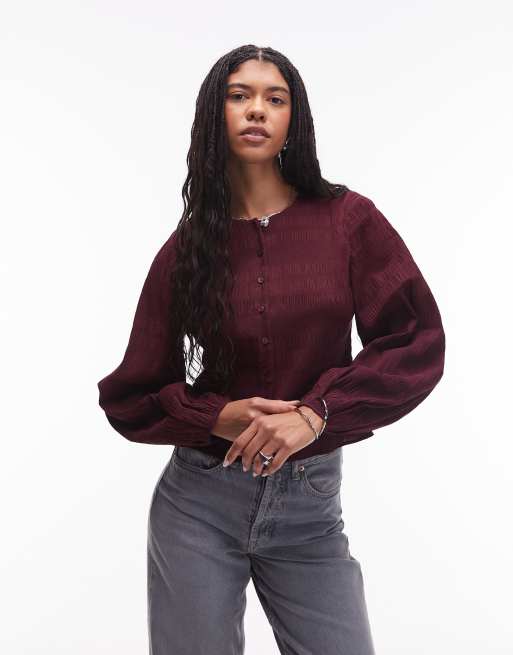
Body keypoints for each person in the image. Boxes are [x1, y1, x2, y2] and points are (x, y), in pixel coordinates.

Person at [97, 44, 445, 654]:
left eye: (274, 98)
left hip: (311, 510)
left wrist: (317, 414)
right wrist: (216, 416)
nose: (256, 109)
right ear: (216, 114)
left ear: (293, 119)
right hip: (198, 506)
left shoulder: (348, 221)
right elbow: (130, 395)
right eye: (239, 95)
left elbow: (415, 342)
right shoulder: (187, 249)